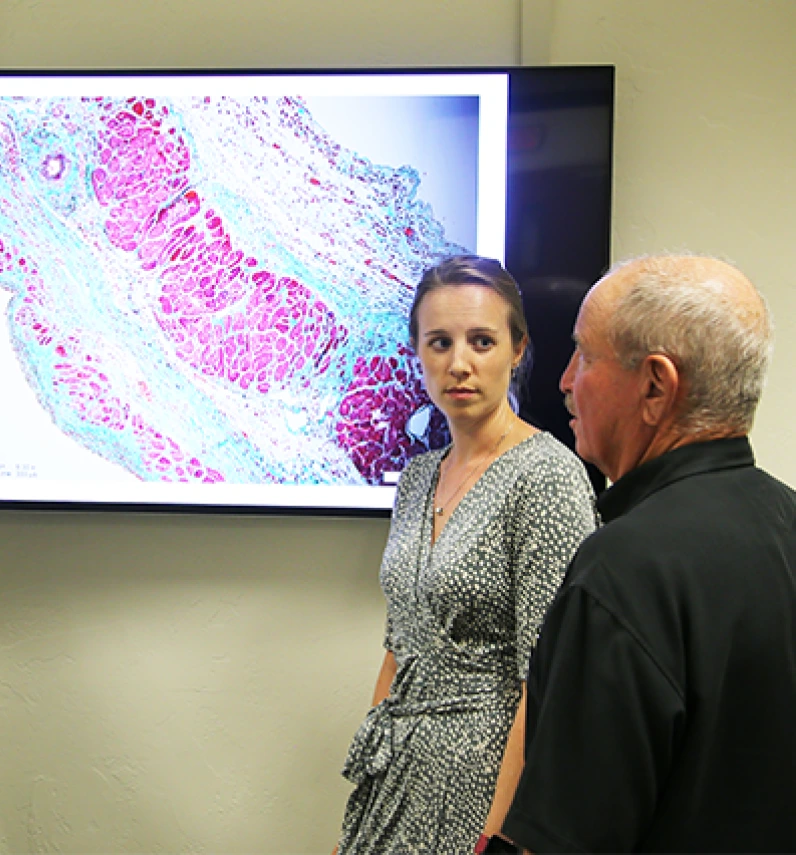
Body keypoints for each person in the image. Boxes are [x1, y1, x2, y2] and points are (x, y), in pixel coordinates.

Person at [490, 255, 794, 854]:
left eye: (584, 355)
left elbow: (566, 836)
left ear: (656, 385)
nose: (565, 380)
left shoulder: (623, 570)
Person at [336, 256, 598, 854]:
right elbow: (397, 651)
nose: (460, 363)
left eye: (482, 341)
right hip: (398, 781)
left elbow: (550, 680)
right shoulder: (417, 479)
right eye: (440, 342)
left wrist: (502, 837)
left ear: (518, 350)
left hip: (485, 786)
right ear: (417, 354)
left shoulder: (547, 475)